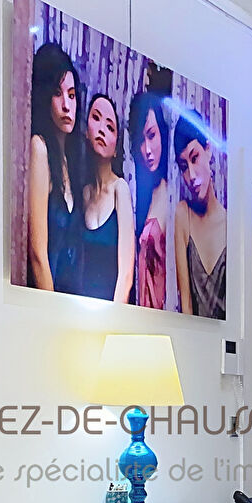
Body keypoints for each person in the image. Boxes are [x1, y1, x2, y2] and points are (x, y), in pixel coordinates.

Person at [26, 42, 83, 291]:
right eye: (57, 93)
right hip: (45, 302)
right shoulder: (39, 148)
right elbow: (38, 254)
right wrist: (49, 307)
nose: (66, 105)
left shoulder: (71, 162)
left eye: (71, 95)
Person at [77, 92, 136, 303]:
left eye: (110, 127)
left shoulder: (120, 190)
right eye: (96, 118)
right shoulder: (83, 194)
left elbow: (126, 277)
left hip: (112, 313)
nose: (102, 129)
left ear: (116, 148)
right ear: (86, 132)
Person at [173, 112, 227, 319]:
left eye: (195, 158)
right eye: (184, 167)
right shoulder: (183, 214)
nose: (192, 176)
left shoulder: (230, 224)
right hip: (192, 334)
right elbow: (185, 305)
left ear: (208, 149)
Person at [129, 87, 171, 309]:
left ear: (162, 133)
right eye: (140, 140)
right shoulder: (141, 197)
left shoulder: (173, 196)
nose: (147, 150)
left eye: (152, 135)